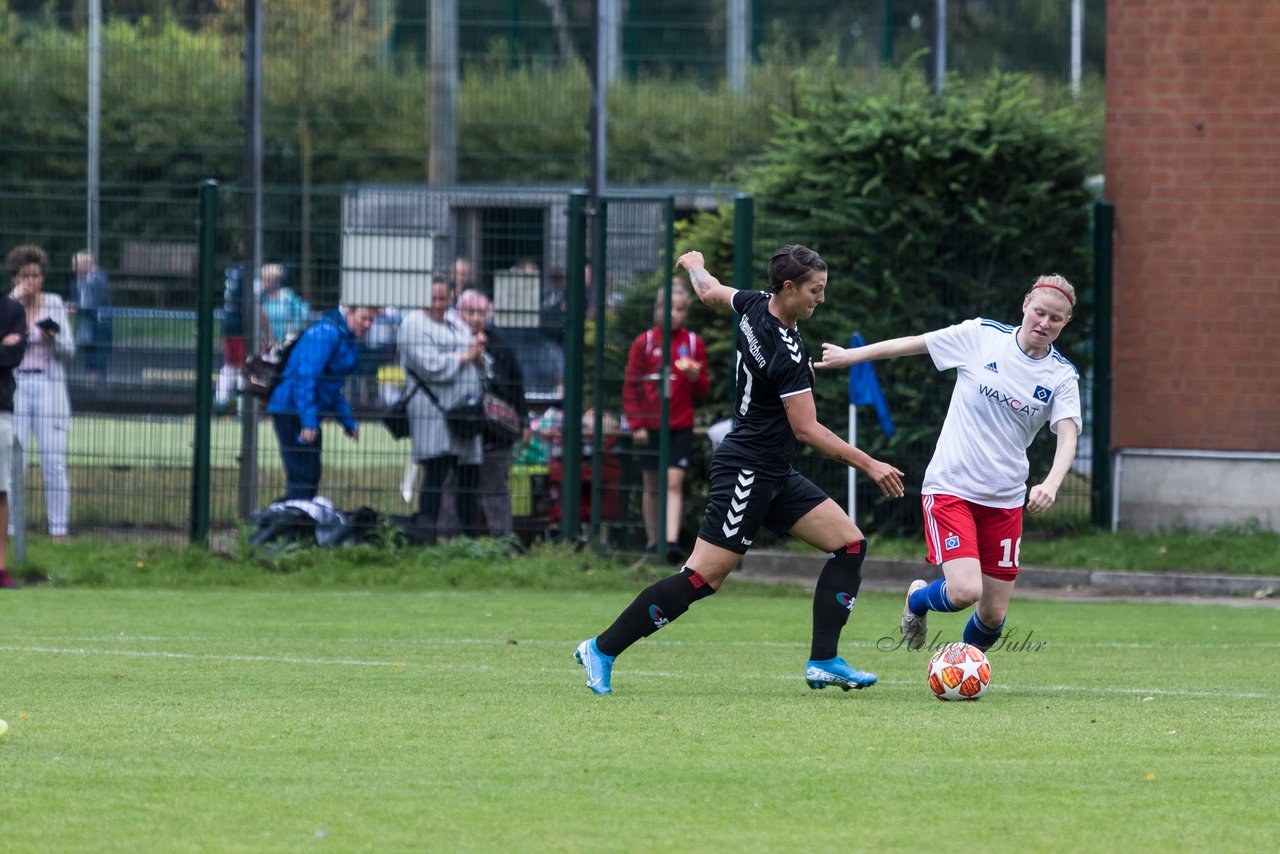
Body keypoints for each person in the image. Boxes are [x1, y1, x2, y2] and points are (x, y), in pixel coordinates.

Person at [574, 246, 905, 695]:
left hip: (773, 469)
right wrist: (870, 463)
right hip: (746, 471)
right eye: (814, 290)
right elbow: (806, 430)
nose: (820, 299)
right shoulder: (785, 350)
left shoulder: (753, 303)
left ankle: (824, 660)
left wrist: (694, 265)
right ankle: (601, 647)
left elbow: (710, 292)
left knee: (849, 544)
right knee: (702, 577)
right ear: (788, 288)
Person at [815, 274, 1082, 653]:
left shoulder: (1061, 375)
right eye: (1039, 312)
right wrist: (851, 355)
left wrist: (1050, 484)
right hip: (951, 488)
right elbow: (915, 344)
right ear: (1025, 305)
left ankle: (961, 666)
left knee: (992, 615)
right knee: (964, 591)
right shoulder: (981, 336)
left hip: (1005, 500)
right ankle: (917, 602)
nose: (1044, 323)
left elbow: (1069, 434)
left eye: (1055, 319)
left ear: (1065, 322)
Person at [622, 279, 709, 563]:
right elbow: (631, 386)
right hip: (650, 426)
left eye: (680, 309)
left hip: (680, 424)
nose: (673, 313)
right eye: (668, 308)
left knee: (673, 481)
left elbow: (703, 388)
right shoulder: (644, 343)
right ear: (658, 309)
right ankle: (652, 542)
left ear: (686, 313)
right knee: (651, 483)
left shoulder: (693, 344)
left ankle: (670, 543)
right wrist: (636, 423)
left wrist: (696, 378)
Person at [398, 276, 485, 545]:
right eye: (433, 299)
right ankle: (426, 538)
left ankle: (469, 539)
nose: (438, 304)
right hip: (433, 411)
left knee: (469, 474)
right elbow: (430, 366)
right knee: (436, 472)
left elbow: (477, 356)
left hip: (464, 412)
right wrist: (466, 356)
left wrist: (478, 356)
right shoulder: (413, 324)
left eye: (443, 299)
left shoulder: (456, 323)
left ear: (451, 298)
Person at [266, 303, 378, 500]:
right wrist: (308, 421)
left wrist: (347, 421)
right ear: (349, 313)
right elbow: (305, 378)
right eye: (364, 318)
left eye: (372, 319)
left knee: (310, 474)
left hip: (305, 411)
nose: (368, 324)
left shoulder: (347, 339)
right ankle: (287, 524)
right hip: (291, 409)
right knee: (302, 475)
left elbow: (331, 388)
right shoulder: (326, 333)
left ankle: (298, 524)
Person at [8, 245, 75, 540]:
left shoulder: (54, 304)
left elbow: (68, 349)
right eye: (25, 275)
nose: (31, 281)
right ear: (15, 277)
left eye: (36, 275)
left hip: (48, 385)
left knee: (54, 459)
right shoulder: (8, 304)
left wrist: (53, 339)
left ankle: (58, 529)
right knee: (12, 460)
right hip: (15, 386)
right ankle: (8, 528)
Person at [454, 288, 528, 542]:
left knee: (496, 487)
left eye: (481, 312)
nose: (476, 318)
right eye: (470, 312)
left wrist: (524, 421)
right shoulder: (452, 342)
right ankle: (457, 539)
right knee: (457, 486)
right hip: (463, 429)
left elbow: (516, 387)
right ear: (459, 314)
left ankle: (503, 541)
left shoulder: (500, 346)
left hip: (497, 431)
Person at [0, 260, 27, 587]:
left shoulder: (11, 309)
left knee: (0, 489)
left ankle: (0, 568)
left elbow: (14, 355)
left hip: (0, 410)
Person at [68, 250, 112, 386]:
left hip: (99, 322)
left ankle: (99, 382)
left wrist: (78, 309)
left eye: (77, 266)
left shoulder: (98, 279)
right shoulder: (80, 279)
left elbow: (96, 303)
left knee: (99, 352)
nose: (74, 269)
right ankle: (91, 379)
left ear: (87, 264)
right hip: (86, 321)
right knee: (89, 350)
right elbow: (77, 298)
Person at [260, 263, 310, 343]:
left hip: (287, 342)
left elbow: (304, 310)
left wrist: (294, 327)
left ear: (276, 280)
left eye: (268, 279)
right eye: (264, 279)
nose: (265, 282)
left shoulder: (286, 295)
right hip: (268, 343)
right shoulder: (261, 300)